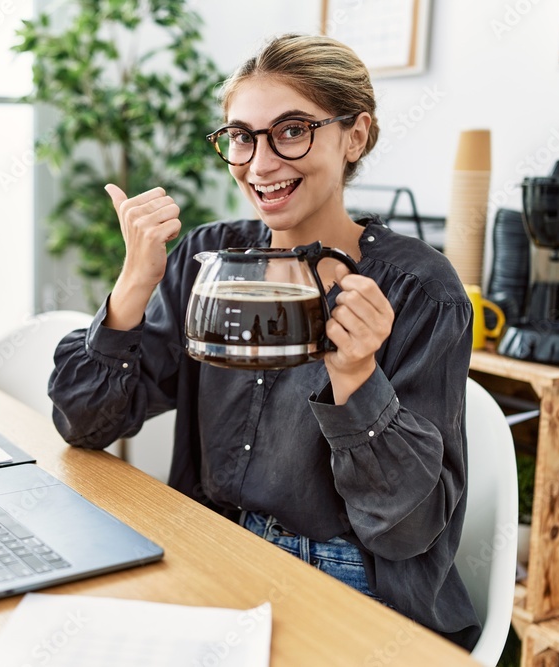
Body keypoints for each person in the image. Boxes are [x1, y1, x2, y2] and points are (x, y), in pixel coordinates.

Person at [47, 33, 481, 649]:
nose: (261, 163)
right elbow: (84, 422)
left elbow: (405, 532)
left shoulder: (419, 290)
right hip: (210, 544)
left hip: (352, 581)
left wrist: (357, 376)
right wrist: (134, 285)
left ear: (354, 136)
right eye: (243, 136)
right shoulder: (207, 258)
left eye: (293, 130)